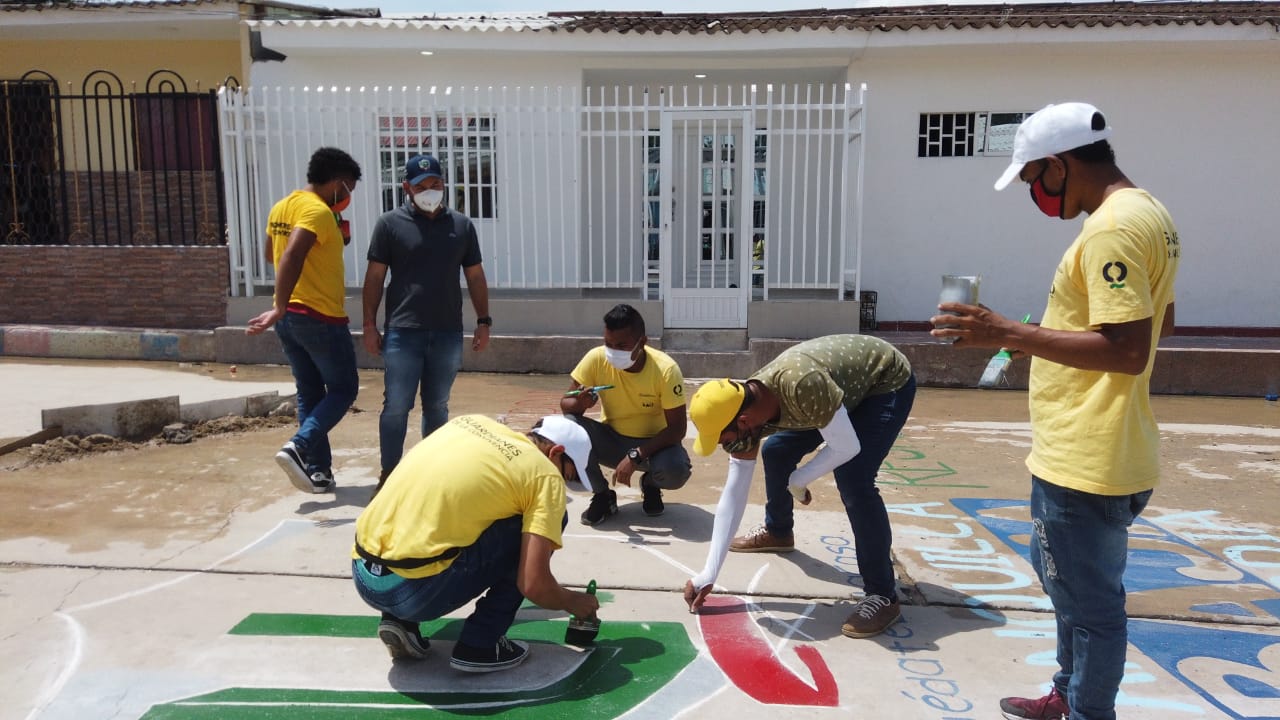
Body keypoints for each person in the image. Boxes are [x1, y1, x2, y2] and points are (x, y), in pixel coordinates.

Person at [930, 102, 1180, 720]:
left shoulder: (1110, 231)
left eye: (1032, 179)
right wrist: (1049, 332)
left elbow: (1126, 349)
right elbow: (1160, 321)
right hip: (1109, 445)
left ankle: (1087, 710)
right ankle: (1066, 697)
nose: (1033, 194)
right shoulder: (1149, 213)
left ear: (1059, 165)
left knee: (1091, 610)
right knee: (1071, 588)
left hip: (1086, 455)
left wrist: (1008, 332)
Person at [683, 334, 916, 638]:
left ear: (742, 421)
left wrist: (798, 480)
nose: (724, 446)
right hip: (839, 393)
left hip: (883, 383)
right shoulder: (748, 409)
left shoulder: (801, 386)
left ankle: (883, 595)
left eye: (722, 439)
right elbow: (734, 492)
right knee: (777, 450)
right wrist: (708, 574)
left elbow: (846, 447)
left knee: (854, 478)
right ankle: (778, 531)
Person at [352, 414, 601, 673]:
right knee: (550, 519)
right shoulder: (544, 475)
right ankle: (480, 644)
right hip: (412, 592)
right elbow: (534, 584)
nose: (563, 482)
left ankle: (399, 621)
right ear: (556, 452)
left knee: (449, 514)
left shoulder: (471, 422)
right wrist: (573, 601)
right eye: (568, 476)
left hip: (364, 573)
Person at [362, 154, 491, 494]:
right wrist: (369, 325)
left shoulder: (461, 226)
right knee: (397, 405)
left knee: (437, 406)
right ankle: (390, 474)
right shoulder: (389, 224)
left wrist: (484, 321)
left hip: (447, 331)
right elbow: (375, 278)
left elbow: (475, 276)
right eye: (422, 186)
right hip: (403, 332)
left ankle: (431, 474)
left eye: (436, 184)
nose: (430, 191)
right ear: (407, 187)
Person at [247, 146, 362, 494]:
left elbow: (272, 253)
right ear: (338, 182)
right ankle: (299, 445)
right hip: (319, 314)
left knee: (310, 391)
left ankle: (317, 471)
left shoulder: (283, 206)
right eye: (349, 190)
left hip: (291, 320)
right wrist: (280, 305)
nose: (348, 197)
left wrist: (283, 307)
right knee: (343, 389)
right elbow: (294, 253)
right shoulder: (316, 211)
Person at [560, 304, 691, 524]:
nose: (613, 351)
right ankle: (603, 496)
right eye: (608, 344)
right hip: (611, 439)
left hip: (654, 447)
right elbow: (566, 403)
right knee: (568, 427)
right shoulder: (596, 358)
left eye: (621, 345)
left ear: (642, 342)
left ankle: (651, 484)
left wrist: (636, 455)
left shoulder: (666, 370)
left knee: (676, 470)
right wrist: (579, 402)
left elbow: (678, 429)